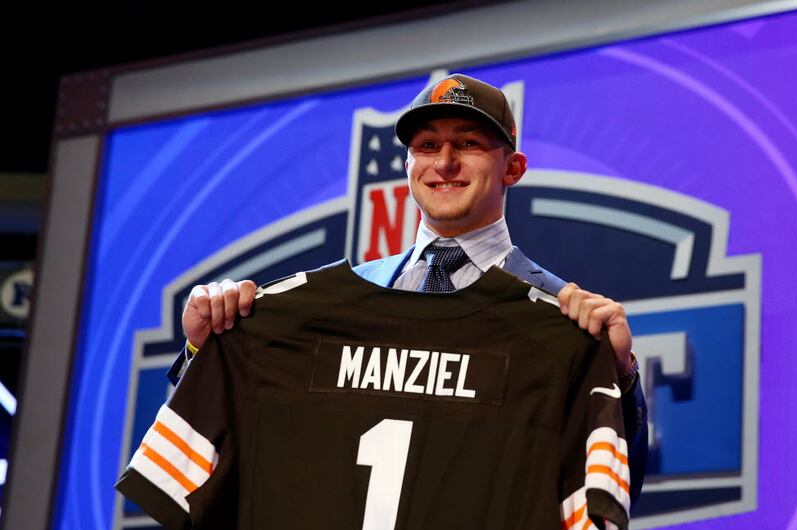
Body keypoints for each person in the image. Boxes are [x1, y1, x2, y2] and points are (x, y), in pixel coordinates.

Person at [168, 73, 648, 503]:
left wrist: (619, 374)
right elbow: (207, 450)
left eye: (469, 144)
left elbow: (612, 487)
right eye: (426, 146)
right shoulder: (328, 305)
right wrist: (204, 348)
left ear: (513, 169)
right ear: (407, 165)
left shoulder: (563, 321)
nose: (444, 162)